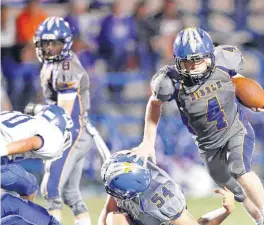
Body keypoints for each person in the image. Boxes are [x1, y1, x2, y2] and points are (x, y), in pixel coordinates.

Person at [129, 27, 264, 225]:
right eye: (188, 62)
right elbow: (154, 104)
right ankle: (260, 220)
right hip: (208, 145)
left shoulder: (224, 62)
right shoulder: (171, 81)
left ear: (211, 56)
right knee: (235, 190)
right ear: (178, 61)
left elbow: (236, 79)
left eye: (199, 60)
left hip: (235, 129)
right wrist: (148, 141)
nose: (194, 67)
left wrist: (251, 97)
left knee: (239, 168)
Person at [29, 16, 109, 225]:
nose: (48, 48)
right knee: (70, 194)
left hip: (72, 132)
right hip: (75, 131)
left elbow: (63, 112)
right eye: (45, 43)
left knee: (50, 189)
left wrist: (36, 110)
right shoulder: (54, 64)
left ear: (65, 43)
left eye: (54, 43)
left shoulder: (66, 68)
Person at [98, 150, 235, 225]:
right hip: (138, 218)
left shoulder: (162, 198)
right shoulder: (127, 168)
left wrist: (225, 211)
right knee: (114, 219)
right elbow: (109, 210)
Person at [0, 105, 73, 201]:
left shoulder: (19, 116)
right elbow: (33, 142)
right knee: (30, 187)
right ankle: (16, 215)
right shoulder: (54, 134)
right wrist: (3, 150)